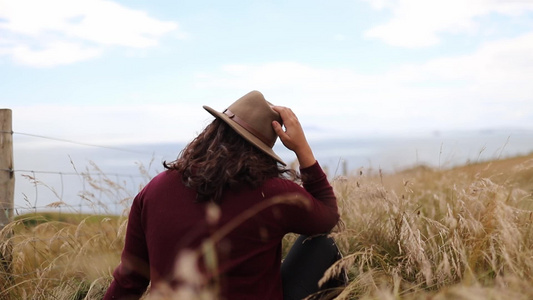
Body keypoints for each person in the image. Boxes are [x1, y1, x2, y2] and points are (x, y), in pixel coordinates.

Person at [104, 91, 344, 300]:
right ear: (262, 151)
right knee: (322, 244)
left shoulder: (153, 190)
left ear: (212, 132)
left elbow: (130, 279)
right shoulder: (272, 194)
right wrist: (302, 148)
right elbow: (328, 217)